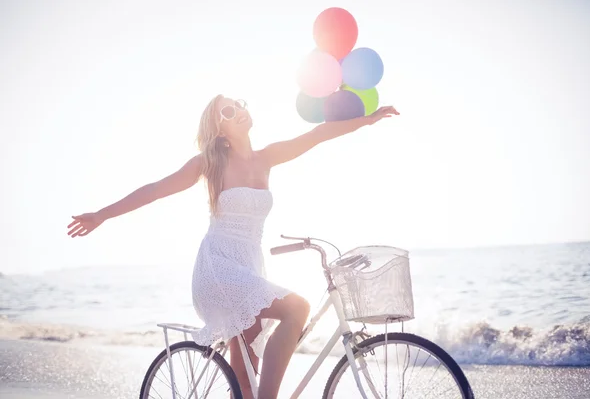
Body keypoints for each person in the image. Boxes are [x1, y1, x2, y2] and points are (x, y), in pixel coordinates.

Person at [67, 95, 399, 398]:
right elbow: (155, 189)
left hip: (251, 268)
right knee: (297, 307)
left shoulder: (267, 157)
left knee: (245, 381)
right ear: (219, 129)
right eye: (228, 111)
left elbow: (318, 134)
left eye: (239, 103)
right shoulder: (210, 164)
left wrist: (366, 119)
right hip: (218, 268)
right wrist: (101, 215)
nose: (238, 110)